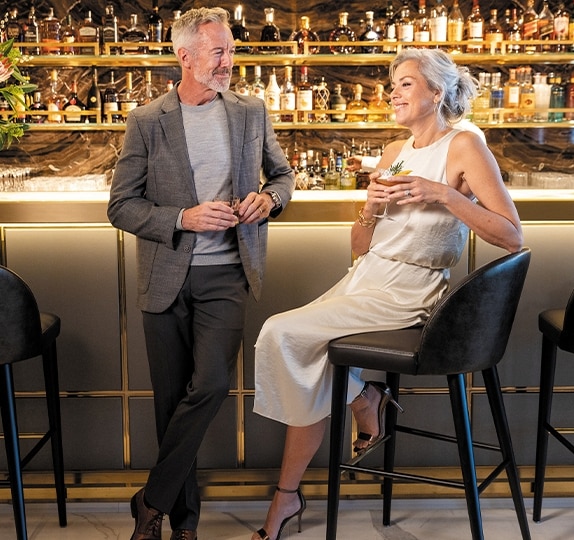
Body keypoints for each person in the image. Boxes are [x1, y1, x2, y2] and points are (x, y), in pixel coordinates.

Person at [251, 47, 523, 540]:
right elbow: (359, 248)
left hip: (412, 290)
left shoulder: (464, 146)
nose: (392, 93)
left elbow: (511, 235)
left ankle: (351, 412)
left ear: (436, 93)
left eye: (405, 84)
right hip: (367, 279)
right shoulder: (395, 154)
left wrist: (443, 193)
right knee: (302, 353)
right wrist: (370, 209)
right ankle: (347, 416)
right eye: (392, 84)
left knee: (280, 333)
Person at [107, 7, 295, 540]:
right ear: (184, 56)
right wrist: (181, 219)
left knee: (209, 384)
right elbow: (121, 206)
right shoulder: (147, 121)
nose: (229, 61)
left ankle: (149, 500)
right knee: (171, 405)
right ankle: (182, 525)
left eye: (231, 51)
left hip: (228, 275)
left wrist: (270, 199)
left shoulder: (250, 111)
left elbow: (282, 175)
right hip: (165, 278)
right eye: (219, 52)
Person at [345, 118, 486, 172]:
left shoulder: (467, 135)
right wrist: (365, 162)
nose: (394, 95)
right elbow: (410, 164)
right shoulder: (419, 135)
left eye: (407, 85)